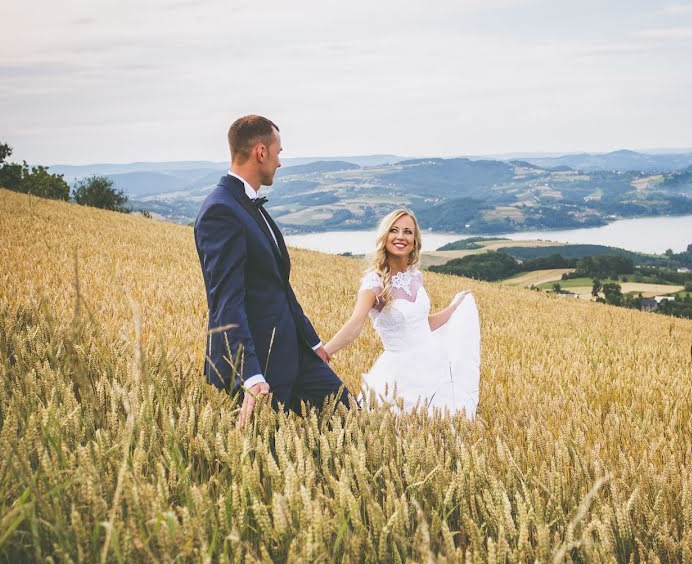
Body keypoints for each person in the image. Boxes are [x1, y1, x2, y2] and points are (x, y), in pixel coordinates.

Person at [194, 115, 349, 426]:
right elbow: (226, 301)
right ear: (261, 152)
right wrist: (249, 375)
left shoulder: (246, 204)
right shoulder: (221, 211)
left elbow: (278, 285)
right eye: (278, 152)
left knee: (351, 415)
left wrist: (313, 344)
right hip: (258, 363)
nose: (279, 162)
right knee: (261, 457)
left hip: (294, 353)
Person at [324, 209, 480, 417]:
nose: (400, 237)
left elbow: (421, 324)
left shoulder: (415, 276)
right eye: (394, 230)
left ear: (415, 241)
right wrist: (324, 352)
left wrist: (454, 308)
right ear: (385, 236)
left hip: (433, 366)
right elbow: (355, 323)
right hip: (400, 377)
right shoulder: (375, 282)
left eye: (407, 232)